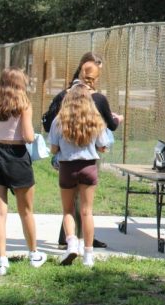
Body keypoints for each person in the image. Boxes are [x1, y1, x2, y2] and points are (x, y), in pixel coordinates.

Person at [43, 52, 123, 249]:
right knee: (85, 207)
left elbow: (50, 127)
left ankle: (69, 239)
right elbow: (108, 130)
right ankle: (85, 245)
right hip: (88, 159)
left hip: (66, 158)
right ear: (94, 77)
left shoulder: (63, 97)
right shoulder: (98, 99)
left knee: (69, 206)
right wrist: (116, 120)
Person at [0, 68, 46, 276]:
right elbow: (29, 136)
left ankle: (2, 260)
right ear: (20, 83)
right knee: (26, 210)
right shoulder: (24, 103)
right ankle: (34, 254)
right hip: (17, 155)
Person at [50, 83, 112, 267]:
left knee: (68, 210)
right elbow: (102, 146)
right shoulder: (95, 119)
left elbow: (54, 149)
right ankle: (89, 255)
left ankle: (71, 245)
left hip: (67, 167)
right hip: (89, 167)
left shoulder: (59, 120)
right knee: (87, 211)